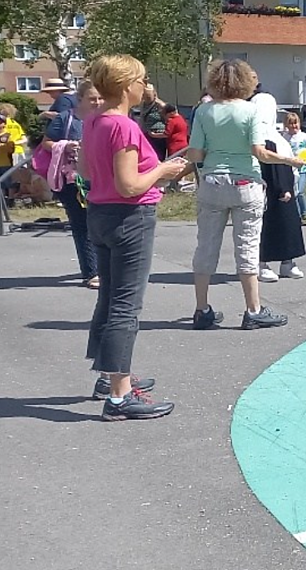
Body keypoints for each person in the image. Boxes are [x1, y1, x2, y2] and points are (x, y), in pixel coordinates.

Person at [81, 54, 190, 420]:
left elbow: (84, 168)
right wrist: (162, 169)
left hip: (100, 213)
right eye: (142, 80)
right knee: (126, 306)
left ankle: (110, 377)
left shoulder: (94, 120)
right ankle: (119, 395)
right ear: (127, 85)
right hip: (130, 217)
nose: (145, 86)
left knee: (110, 299)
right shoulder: (124, 126)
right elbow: (129, 186)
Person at [185, 60, 306, 330]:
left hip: (213, 182)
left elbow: (195, 154)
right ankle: (253, 310)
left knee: (205, 247)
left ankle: (201, 309)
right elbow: (260, 152)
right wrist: (290, 161)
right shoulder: (250, 110)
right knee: (248, 248)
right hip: (245, 183)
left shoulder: (203, 111)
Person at [34, 80, 100, 288]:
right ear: (80, 99)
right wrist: (64, 146)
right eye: (92, 98)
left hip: (102, 177)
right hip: (72, 179)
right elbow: (46, 142)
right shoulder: (66, 118)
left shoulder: (106, 117)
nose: (97, 102)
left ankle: (107, 268)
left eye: (100, 98)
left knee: (103, 224)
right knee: (82, 225)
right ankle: (91, 272)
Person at [257, 135, 306, 281]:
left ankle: (288, 261)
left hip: (287, 185)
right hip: (267, 188)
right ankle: (261, 264)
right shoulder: (259, 136)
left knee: (288, 224)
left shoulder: (279, 138)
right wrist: (280, 188)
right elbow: (270, 166)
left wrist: (289, 186)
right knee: (265, 227)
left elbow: (289, 164)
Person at [283, 113, 306, 222]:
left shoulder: (304, 136)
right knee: (293, 192)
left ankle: (304, 214)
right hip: (290, 168)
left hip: (303, 168)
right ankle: (297, 216)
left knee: (300, 191)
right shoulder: (284, 137)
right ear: (286, 125)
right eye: (290, 123)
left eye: (295, 123)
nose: (293, 126)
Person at [139, 85, 169, 161]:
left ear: (154, 94)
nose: (147, 98)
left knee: (158, 157)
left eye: (149, 96)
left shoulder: (160, 105)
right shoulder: (143, 105)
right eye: (145, 96)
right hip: (146, 134)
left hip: (158, 136)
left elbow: (169, 118)